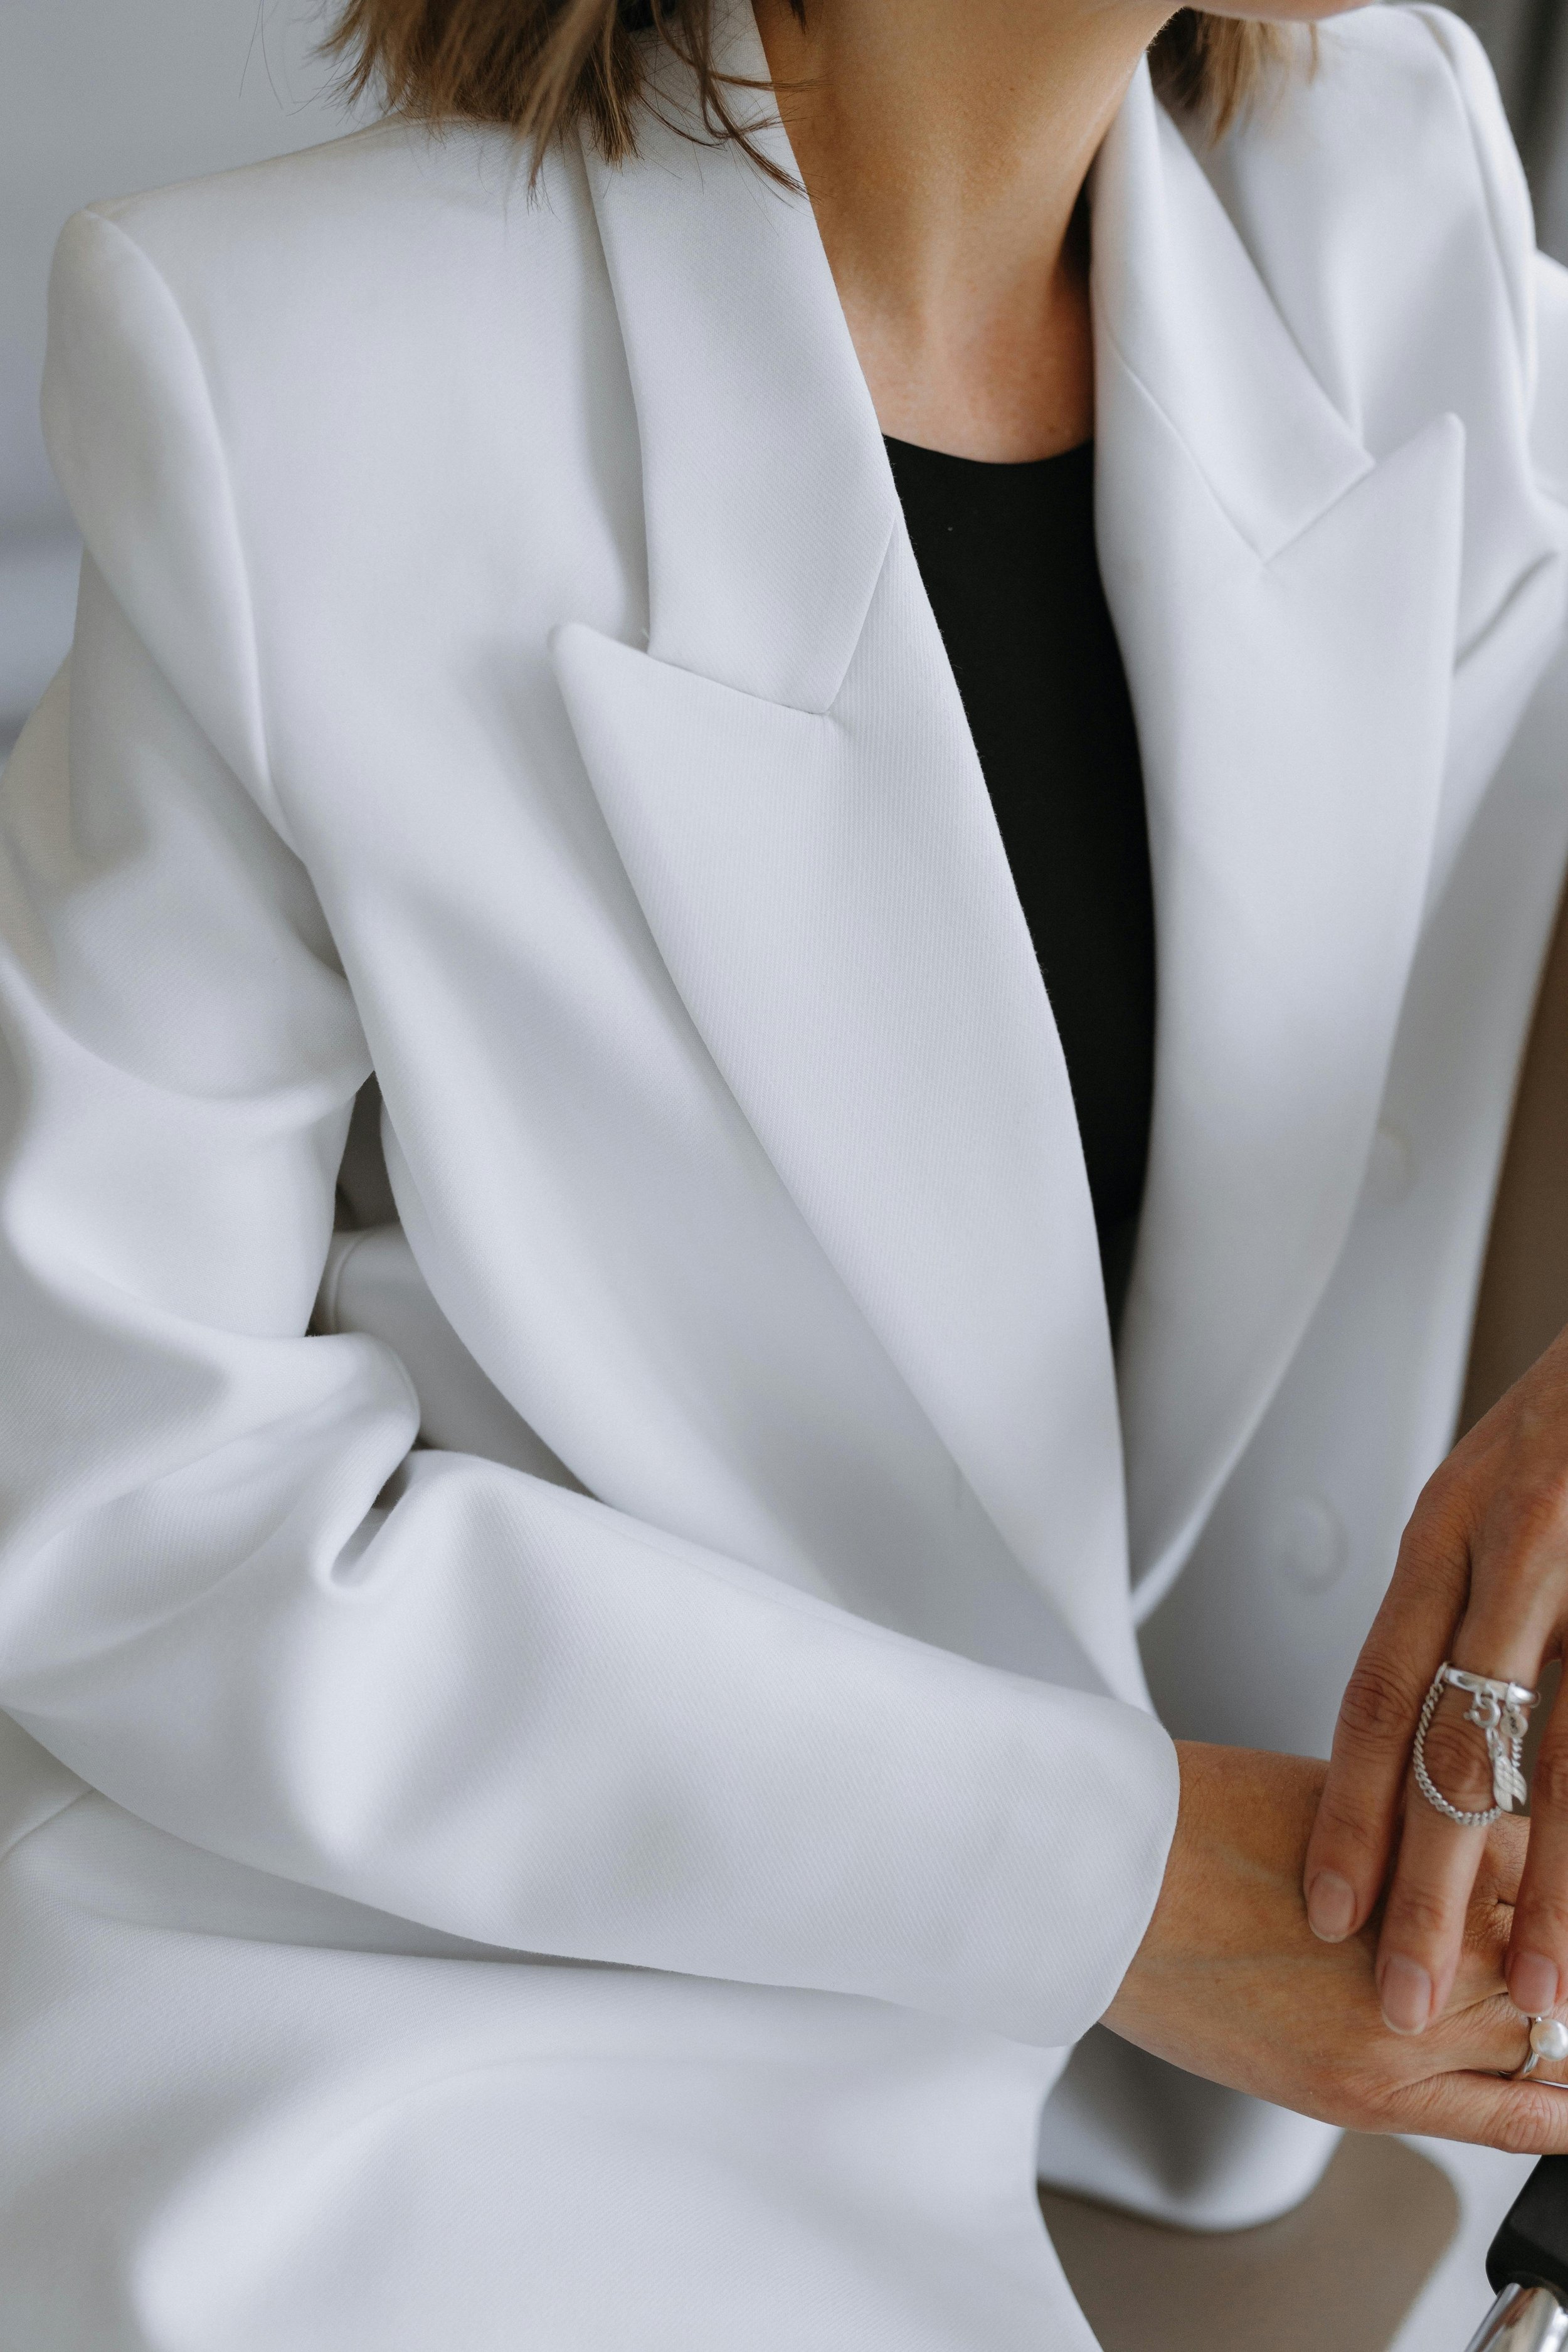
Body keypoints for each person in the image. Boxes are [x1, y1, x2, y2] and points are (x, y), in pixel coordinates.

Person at [1, 0, 1565, 2339]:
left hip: (1262, 2041)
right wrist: (1114, 1885)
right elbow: (121, 1498)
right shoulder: (282, 366)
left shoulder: (1384, 188)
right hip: (481, 1986)